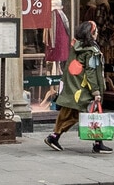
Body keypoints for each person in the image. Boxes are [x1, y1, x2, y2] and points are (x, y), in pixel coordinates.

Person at [46, 20, 108, 154]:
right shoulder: (91, 51)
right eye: (96, 32)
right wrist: (96, 91)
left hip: (73, 88)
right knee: (93, 114)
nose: (97, 34)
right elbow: (91, 72)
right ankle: (98, 143)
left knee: (68, 114)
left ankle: (54, 136)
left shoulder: (76, 47)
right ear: (91, 34)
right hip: (84, 90)